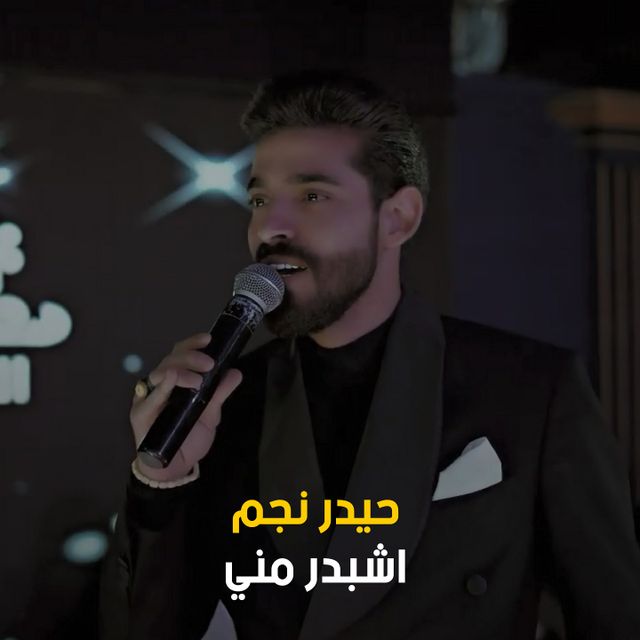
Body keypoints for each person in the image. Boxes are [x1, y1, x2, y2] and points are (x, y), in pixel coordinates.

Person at [99, 71, 640, 640]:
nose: (270, 227)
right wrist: (159, 480)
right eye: (259, 199)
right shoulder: (226, 404)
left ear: (397, 218)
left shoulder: (529, 391)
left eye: (312, 195)